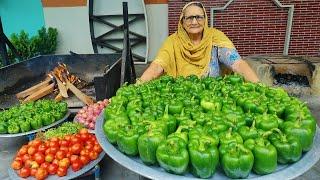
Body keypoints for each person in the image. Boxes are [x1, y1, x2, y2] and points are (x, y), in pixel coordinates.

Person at [138, 1, 259, 83]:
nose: (194, 22)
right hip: (180, 99)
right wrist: (138, 85)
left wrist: (258, 85)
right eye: (189, 18)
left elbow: (237, 63)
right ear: (182, 22)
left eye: (199, 17)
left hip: (212, 99)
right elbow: (157, 66)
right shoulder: (172, 42)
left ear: (205, 19)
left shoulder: (215, 38)